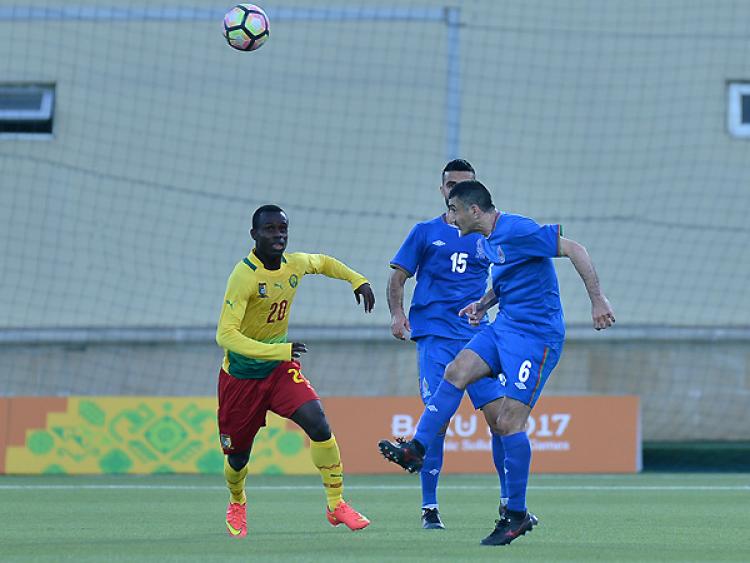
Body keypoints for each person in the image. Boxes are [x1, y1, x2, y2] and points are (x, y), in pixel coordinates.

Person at [379, 180, 615, 546]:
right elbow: (509, 279)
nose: (451, 217)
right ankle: (417, 449)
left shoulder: (517, 229)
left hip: (536, 336)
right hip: (504, 326)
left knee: (508, 422)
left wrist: (598, 300)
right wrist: (483, 304)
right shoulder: (486, 240)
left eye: (454, 210)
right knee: (456, 371)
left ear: (474, 210)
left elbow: (575, 249)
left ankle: (516, 515)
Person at [217, 204, 375, 538]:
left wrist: (356, 279)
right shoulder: (244, 276)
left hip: (278, 372)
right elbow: (225, 336)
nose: (278, 236)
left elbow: (323, 262)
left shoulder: (294, 264)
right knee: (237, 458)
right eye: (270, 229)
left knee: (318, 422)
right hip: (241, 379)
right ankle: (237, 499)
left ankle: (336, 504)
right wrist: (279, 350)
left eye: (283, 229)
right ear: (254, 234)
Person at [388, 159, 519, 530]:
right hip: (435, 337)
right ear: (442, 189)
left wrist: (493, 310)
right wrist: (397, 314)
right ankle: (429, 508)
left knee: (501, 419)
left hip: (477, 337)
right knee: (438, 421)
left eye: (464, 185)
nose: (456, 191)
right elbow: (397, 278)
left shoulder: (489, 233)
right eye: (451, 185)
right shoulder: (424, 232)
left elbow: (507, 277)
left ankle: (509, 502)